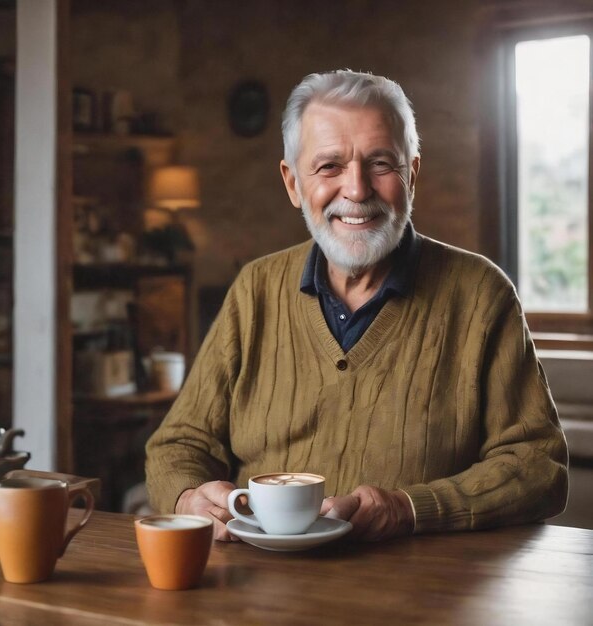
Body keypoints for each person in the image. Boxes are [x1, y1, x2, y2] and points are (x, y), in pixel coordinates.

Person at [145, 70, 568, 542]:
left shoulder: (481, 294)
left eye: (381, 163)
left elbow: (538, 468)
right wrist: (188, 496)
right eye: (329, 167)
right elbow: (178, 444)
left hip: (425, 598)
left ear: (412, 175)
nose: (357, 190)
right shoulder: (254, 290)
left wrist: (408, 509)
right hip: (259, 594)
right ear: (292, 184)